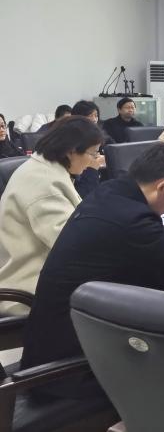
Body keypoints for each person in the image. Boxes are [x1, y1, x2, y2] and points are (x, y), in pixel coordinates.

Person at [19, 143, 164, 401]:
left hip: (51, 349)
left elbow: (134, 234)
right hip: (71, 373)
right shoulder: (132, 219)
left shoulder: (111, 193)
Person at [0, 117, 105, 314]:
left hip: (46, 277)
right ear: (71, 151)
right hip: (29, 291)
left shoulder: (46, 169)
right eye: (92, 153)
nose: (95, 160)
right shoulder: (44, 184)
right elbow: (72, 246)